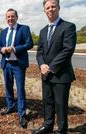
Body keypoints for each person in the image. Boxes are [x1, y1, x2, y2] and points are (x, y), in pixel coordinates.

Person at [34, 0, 76, 133]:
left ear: (58, 8)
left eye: (53, 6)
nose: (51, 9)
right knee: (48, 103)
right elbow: (39, 52)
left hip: (61, 74)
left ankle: (61, 130)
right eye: (48, 7)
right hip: (45, 74)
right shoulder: (43, 31)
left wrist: (50, 67)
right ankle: (48, 126)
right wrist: (41, 65)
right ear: (44, 10)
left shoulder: (68, 27)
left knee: (60, 105)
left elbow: (68, 50)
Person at [0, 8, 33, 128]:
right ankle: (11, 106)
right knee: (8, 87)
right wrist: (1, 49)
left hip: (18, 64)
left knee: (20, 89)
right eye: (8, 17)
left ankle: (22, 114)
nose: (10, 19)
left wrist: (15, 49)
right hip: (6, 64)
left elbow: (29, 43)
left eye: (12, 16)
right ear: (6, 18)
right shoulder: (3, 31)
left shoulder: (24, 28)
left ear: (17, 17)